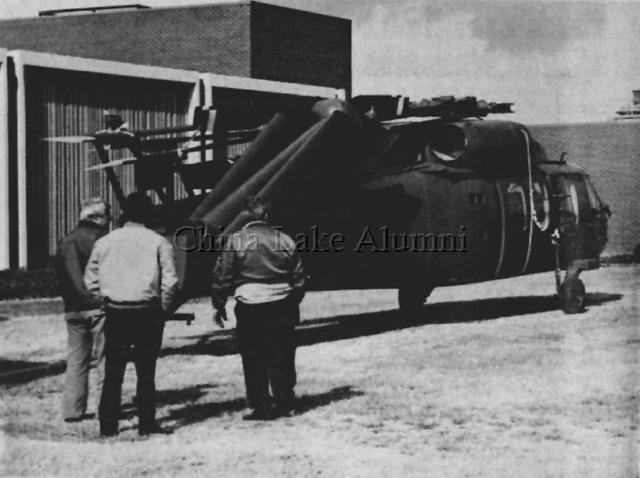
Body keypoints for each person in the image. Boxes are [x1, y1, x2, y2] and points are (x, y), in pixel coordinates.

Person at [84, 192, 178, 437]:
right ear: (147, 214)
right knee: (146, 371)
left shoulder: (104, 242)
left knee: (113, 371)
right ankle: (146, 422)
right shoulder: (159, 241)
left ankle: (108, 425)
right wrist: (164, 308)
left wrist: (102, 301)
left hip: (116, 311)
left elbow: (90, 281)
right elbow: (171, 281)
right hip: (148, 311)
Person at [211, 198, 306, 420]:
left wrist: (219, 303)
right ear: (267, 216)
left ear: (247, 215)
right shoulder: (284, 239)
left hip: (250, 304)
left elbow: (222, 274)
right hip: (282, 303)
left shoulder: (236, 240)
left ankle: (261, 404)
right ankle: (284, 401)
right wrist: (294, 299)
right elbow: (299, 275)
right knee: (282, 354)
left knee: (253, 356)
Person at [56, 198, 111, 422]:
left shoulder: (65, 241)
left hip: (72, 309)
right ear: (97, 217)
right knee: (105, 359)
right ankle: (105, 407)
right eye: (108, 216)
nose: (109, 221)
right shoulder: (100, 239)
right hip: (98, 306)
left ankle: (72, 410)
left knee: (77, 360)